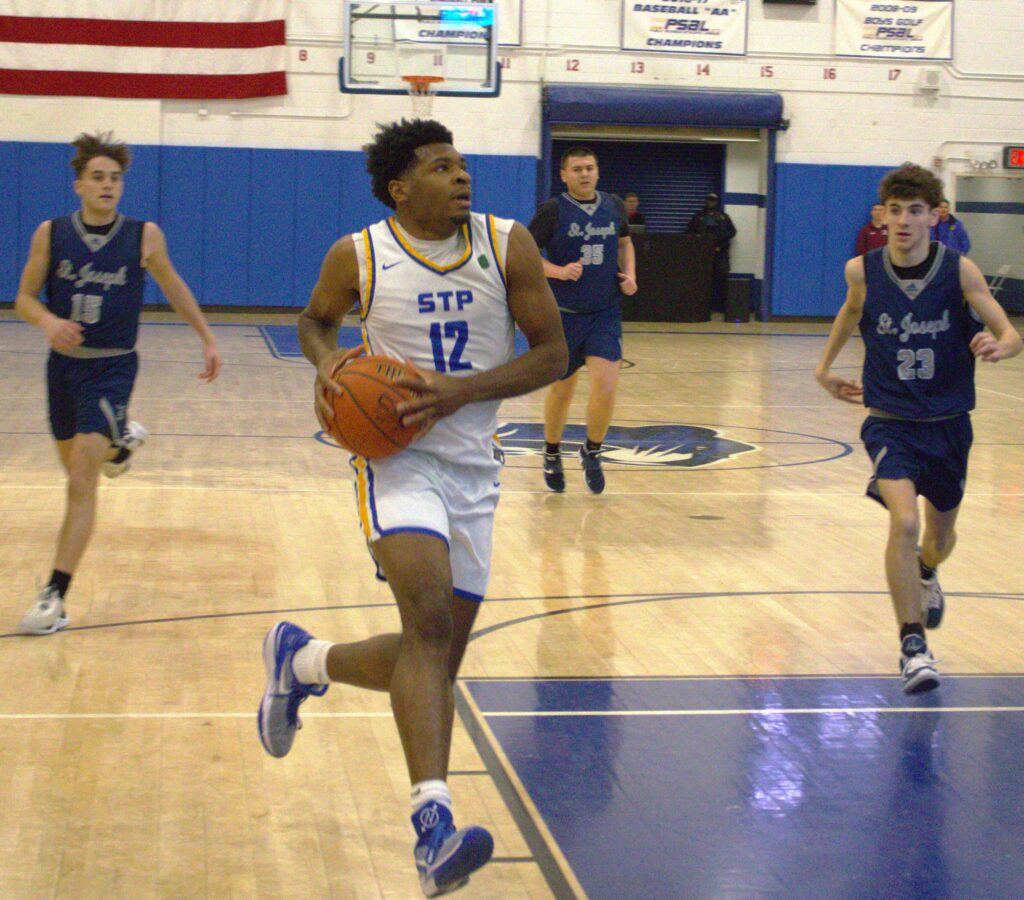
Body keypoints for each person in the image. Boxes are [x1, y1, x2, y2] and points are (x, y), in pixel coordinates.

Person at [256, 119, 566, 897]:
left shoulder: (507, 245)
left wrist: (460, 392)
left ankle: (304, 660)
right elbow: (313, 321)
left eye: (462, 165)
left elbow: (553, 355)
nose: (461, 176)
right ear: (401, 189)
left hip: (473, 470)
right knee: (427, 623)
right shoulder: (358, 254)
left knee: (433, 660)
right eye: (440, 167)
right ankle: (433, 829)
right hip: (393, 458)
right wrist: (331, 366)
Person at [814, 163, 1021, 695]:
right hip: (891, 422)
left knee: (938, 537)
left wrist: (1001, 345)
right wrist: (824, 369)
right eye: (895, 210)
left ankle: (928, 572)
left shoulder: (960, 272)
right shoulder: (861, 270)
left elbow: (1009, 331)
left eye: (915, 210)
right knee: (903, 523)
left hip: (950, 423)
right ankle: (912, 646)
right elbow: (850, 313)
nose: (904, 220)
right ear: (882, 216)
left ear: (935, 215)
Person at [14, 132, 221, 635]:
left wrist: (206, 337)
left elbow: (174, 287)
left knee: (82, 474)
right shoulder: (51, 233)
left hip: (112, 366)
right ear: (78, 185)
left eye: (115, 179)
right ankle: (120, 447)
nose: (108, 186)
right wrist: (47, 323)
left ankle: (55, 596)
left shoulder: (144, 235)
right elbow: (23, 298)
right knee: (76, 469)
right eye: (98, 178)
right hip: (62, 367)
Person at [527, 146, 637, 494]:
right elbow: (525, 255)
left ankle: (591, 450)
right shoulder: (553, 210)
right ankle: (551, 451)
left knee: (605, 385)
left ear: (598, 171)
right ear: (564, 175)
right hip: (563, 315)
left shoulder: (614, 205)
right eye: (576, 169)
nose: (584, 174)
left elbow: (624, 243)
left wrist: (631, 275)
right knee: (563, 389)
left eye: (589, 167)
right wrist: (558, 271)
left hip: (604, 311)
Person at [686, 192, 736, 313]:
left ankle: (724, 308)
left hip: (720, 252)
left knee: (722, 280)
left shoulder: (723, 217)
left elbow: (732, 231)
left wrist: (720, 238)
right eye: (709, 200)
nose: (711, 203)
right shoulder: (699, 216)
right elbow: (688, 231)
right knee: (702, 281)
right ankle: (702, 308)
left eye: (713, 200)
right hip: (703, 254)